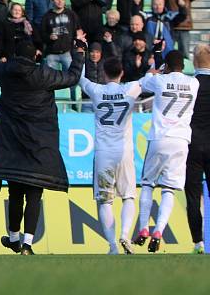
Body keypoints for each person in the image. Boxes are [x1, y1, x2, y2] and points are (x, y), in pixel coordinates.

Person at [0, 30, 86, 255]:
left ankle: (13, 239)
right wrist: (79, 52)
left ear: (15, 55)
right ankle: (28, 244)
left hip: (11, 144)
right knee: (35, 194)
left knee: (16, 194)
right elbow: (72, 77)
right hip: (39, 144)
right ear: (36, 56)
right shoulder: (44, 75)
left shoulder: (5, 71)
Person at [133, 50, 200, 253]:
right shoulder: (194, 83)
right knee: (169, 189)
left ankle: (143, 228)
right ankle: (159, 231)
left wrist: (158, 71)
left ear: (167, 66)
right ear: (184, 65)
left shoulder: (160, 81)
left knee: (147, 184)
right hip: (181, 140)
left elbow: (142, 83)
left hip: (159, 137)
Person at [79, 56, 142, 254]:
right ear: (121, 72)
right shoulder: (130, 88)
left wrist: (80, 54)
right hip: (125, 152)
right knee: (129, 196)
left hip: (104, 153)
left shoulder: (97, 91)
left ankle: (113, 245)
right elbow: (148, 78)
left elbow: (79, 78)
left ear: (104, 73)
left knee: (105, 200)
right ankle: (125, 234)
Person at [186, 43, 210, 254]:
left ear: (194, 61)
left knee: (193, 195)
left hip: (191, 145)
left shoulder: (189, 84)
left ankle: (198, 242)